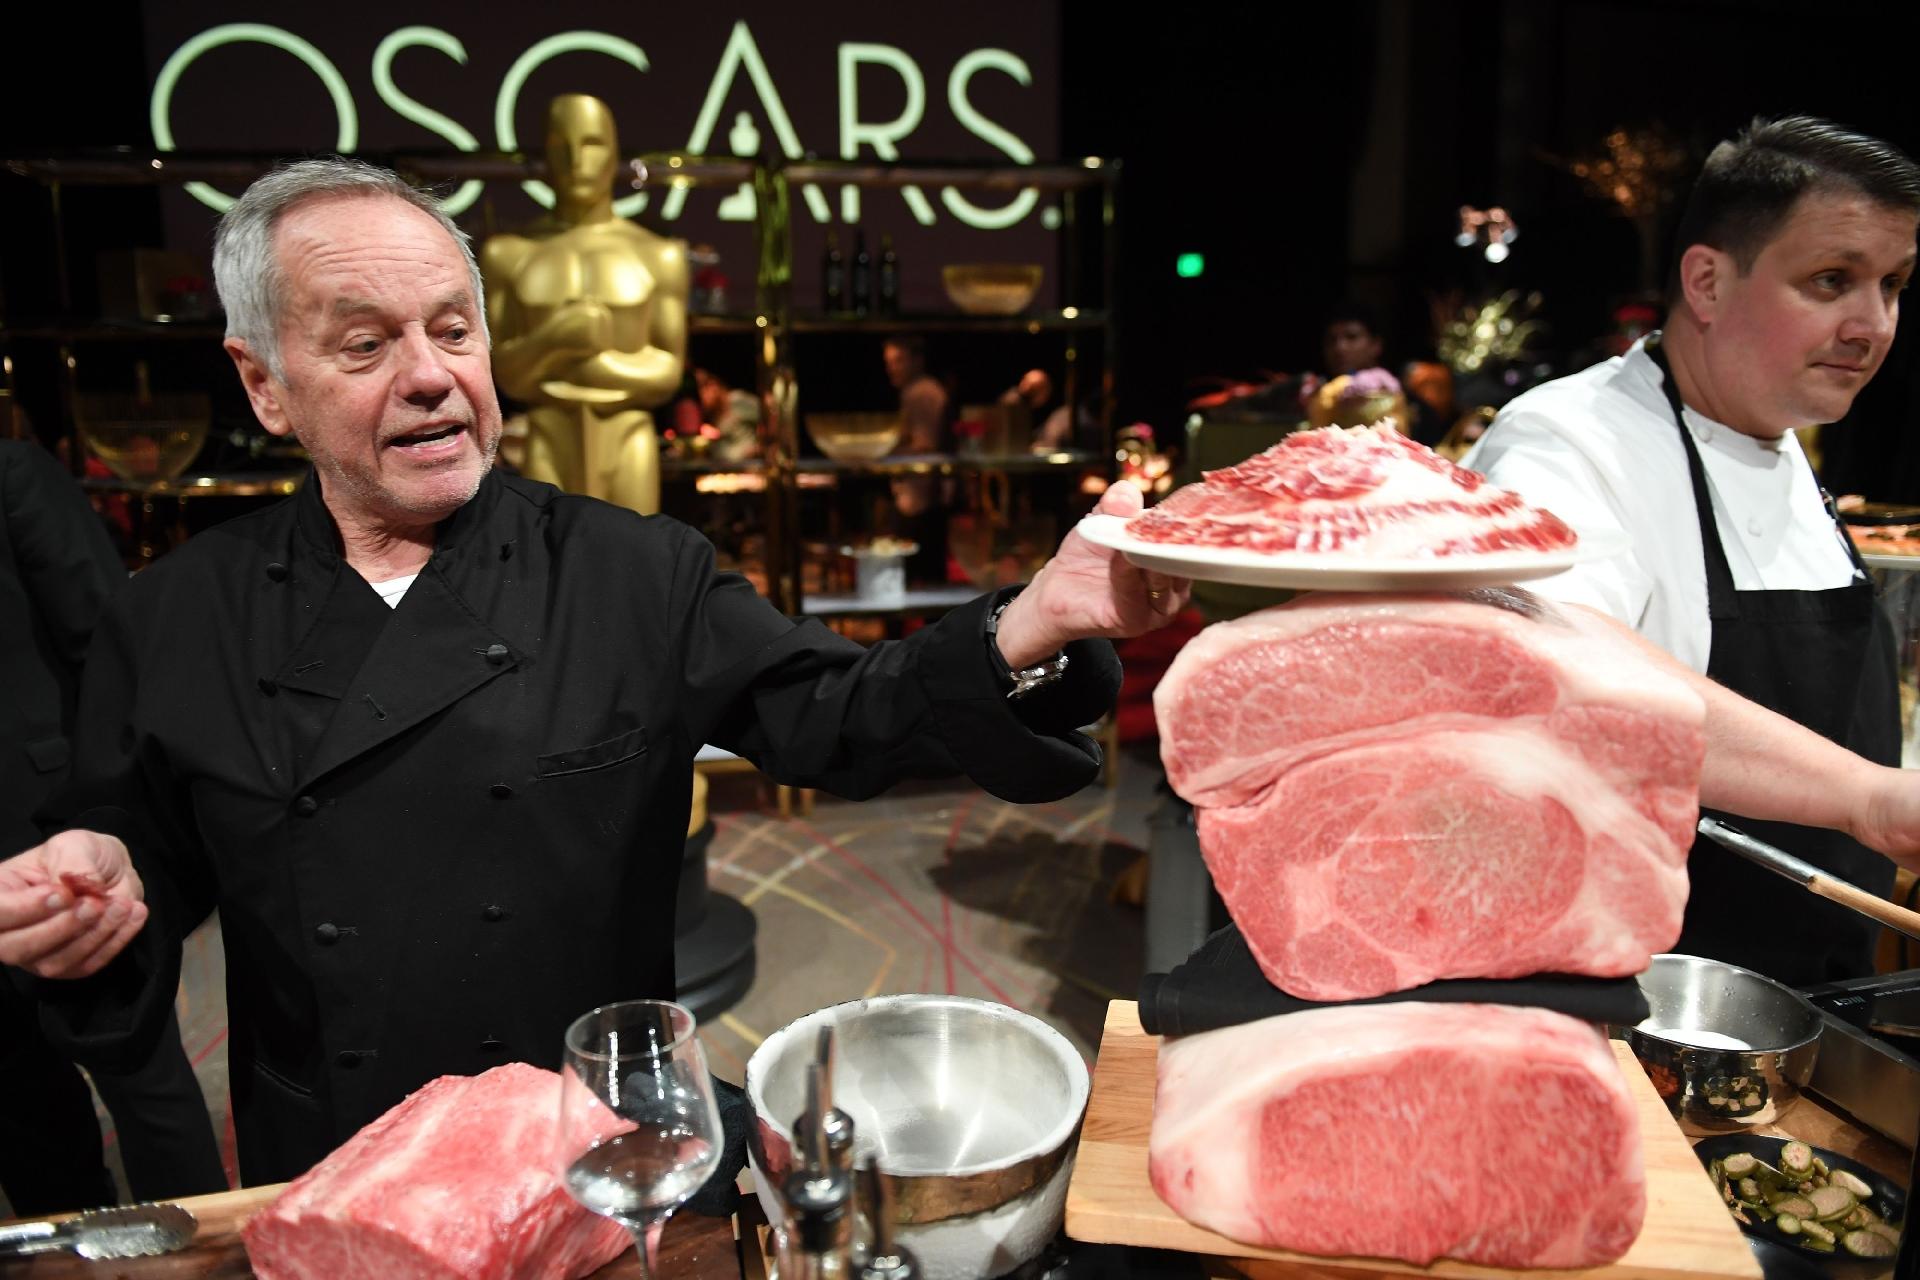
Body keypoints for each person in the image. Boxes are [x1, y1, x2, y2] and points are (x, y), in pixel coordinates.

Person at [0, 159, 1192, 1187]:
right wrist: (100, 879)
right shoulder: (179, 610)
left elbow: (841, 712)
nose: (429, 374)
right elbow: (131, 829)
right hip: (333, 1151)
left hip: (592, 1137)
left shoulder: (633, 571)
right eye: (366, 344)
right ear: (262, 382)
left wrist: (1032, 619)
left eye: (453, 329)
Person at [1466, 116, 1920, 986]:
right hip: (1633, 1005)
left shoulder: (1787, 444)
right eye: (1833, 281)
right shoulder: (1569, 440)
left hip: (1811, 1001)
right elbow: (1559, 661)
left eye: (1894, 284)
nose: (1874, 324)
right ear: (1707, 282)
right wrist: (1869, 797)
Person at [0, 439, 225, 1212]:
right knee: (17, 1088)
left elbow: (104, 634)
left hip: (44, 829)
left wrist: (101, 801)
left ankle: (198, 1241)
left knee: (141, 1071)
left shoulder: (10, 473)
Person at [483, 93, 686, 517]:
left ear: (614, 154)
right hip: (546, 434)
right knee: (549, 570)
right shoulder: (509, 254)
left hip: (628, 435)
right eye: (561, 146)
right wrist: (556, 336)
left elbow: (668, 370)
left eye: (592, 144)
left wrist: (594, 364)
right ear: (544, 157)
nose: (577, 160)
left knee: (633, 567)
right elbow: (504, 373)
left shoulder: (658, 255)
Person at [881, 335, 952, 582]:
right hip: (915, 497)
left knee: (916, 579)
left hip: (920, 501)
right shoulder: (915, 391)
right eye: (888, 361)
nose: (891, 367)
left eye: (898, 360)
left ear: (918, 360)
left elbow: (924, 448)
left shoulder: (922, 393)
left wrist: (881, 452)